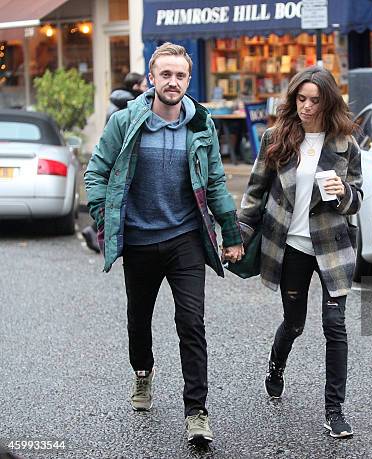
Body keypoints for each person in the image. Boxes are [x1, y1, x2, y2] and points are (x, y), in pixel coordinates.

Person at [84, 42, 244, 446]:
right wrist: (107, 223)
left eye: (180, 75)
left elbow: (216, 183)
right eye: (165, 74)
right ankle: (143, 372)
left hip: (185, 238)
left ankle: (197, 412)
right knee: (139, 319)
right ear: (152, 78)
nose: (173, 82)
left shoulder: (200, 125)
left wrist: (230, 232)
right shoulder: (125, 122)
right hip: (139, 239)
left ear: (188, 80)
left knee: (191, 322)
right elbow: (96, 173)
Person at [238, 67, 362, 438]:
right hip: (290, 246)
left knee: (335, 327)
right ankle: (276, 366)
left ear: (329, 101)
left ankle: (334, 410)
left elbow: (357, 201)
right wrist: (240, 232)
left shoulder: (346, 145)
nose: (307, 107)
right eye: (301, 99)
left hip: (333, 248)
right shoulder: (277, 138)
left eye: (315, 100)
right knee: (294, 323)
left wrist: (342, 192)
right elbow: (255, 192)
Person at [82, 72, 148, 253]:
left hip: (115, 154)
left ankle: (95, 230)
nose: (147, 89)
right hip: (118, 157)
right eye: (144, 86)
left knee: (117, 196)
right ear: (135, 87)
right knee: (118, 197)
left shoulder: (117, 100)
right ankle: (97, 230)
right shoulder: (127, 106)